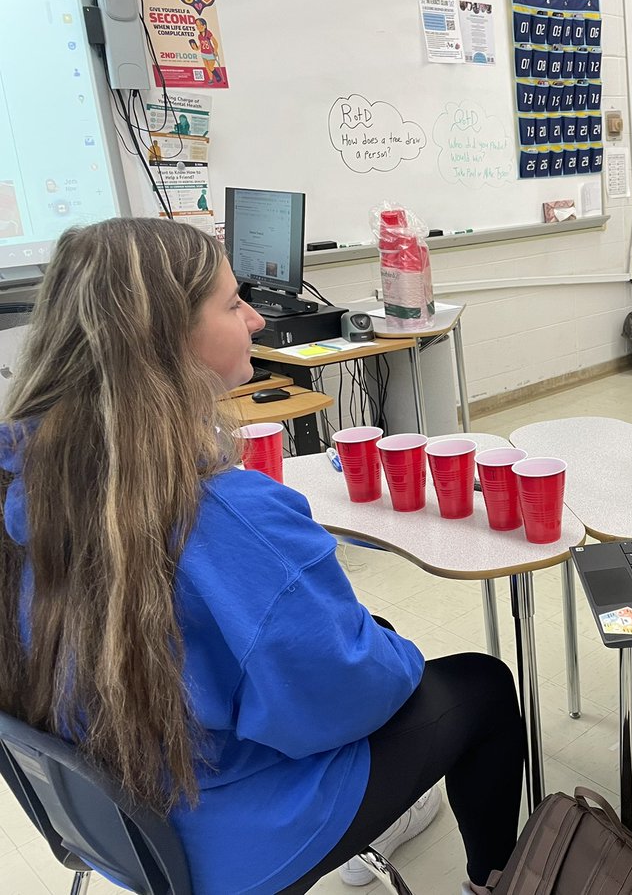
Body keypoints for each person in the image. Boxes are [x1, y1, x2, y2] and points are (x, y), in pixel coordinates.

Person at [0, 218, 525, 895]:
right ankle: (497, 883)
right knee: (480, 686)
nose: (254, 318)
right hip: (228, 837)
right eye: (230, 303)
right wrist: (394, 651)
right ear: (165, 338)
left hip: (107, 820)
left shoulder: (23, 484)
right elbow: (353, 696)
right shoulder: (225, 514)